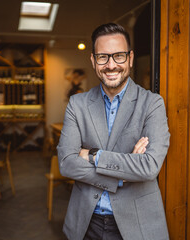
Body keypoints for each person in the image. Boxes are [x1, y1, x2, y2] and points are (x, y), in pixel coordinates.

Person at [57, 23, 170, 240]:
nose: (111, 65)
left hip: (137, 226)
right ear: (93, 60)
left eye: (118, 56)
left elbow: (149, 167)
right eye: (103, 57)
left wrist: (91, 155)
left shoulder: (152, 103)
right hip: (85, 224)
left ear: (130, 58)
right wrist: (121, 176)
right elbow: (66, 163)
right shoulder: (77, 104)